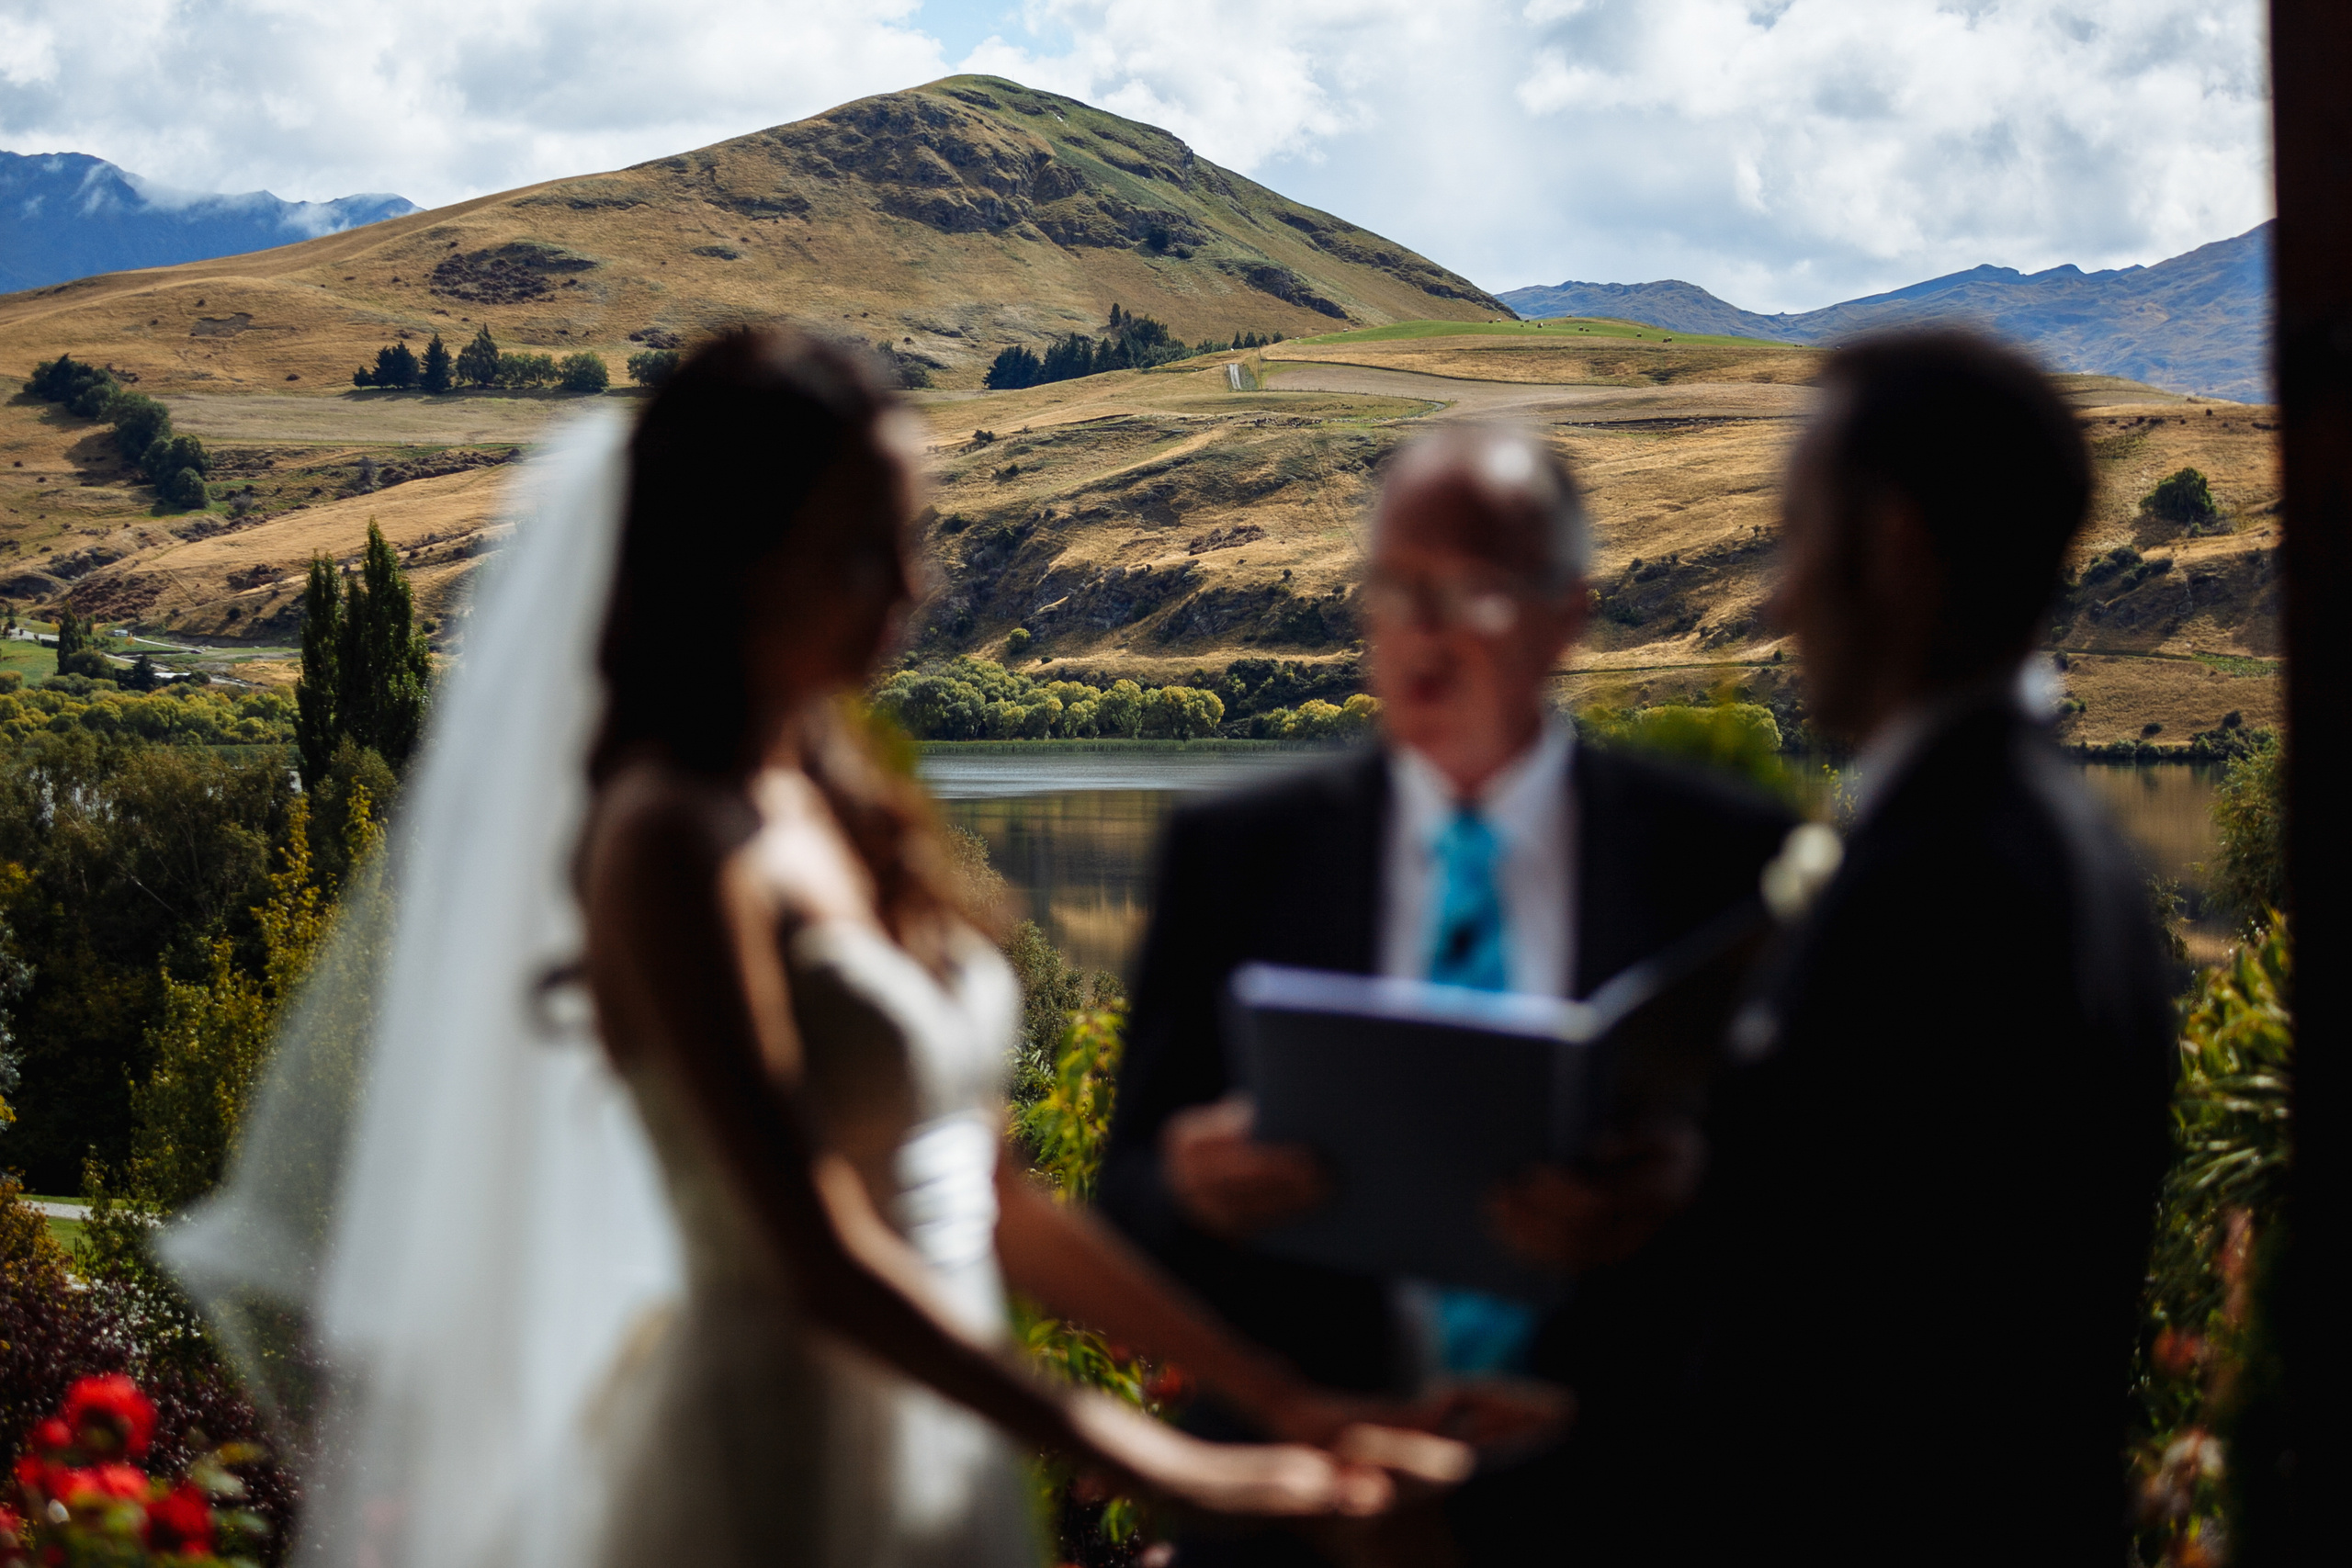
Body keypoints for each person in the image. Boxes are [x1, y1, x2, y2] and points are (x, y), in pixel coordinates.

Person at [165, 332, 1468, 1568]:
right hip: (771, 1461)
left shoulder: (835, 787)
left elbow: (994, 1196)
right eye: (859, 549)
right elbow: (813, 1246)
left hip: (940, 1436)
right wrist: (1168, 1467)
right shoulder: (668, 834)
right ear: (733, 555)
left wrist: (1281, 1399)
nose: (908, 589)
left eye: (910, 541)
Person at [1099, 424, 1798, 1564]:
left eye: (1470, 593)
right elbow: (1122, 1202)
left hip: (1614, 1508)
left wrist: (1683, 1196)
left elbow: (1809, 1209)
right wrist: (1188, 1185)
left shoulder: (1718, 861)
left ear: (1565, 614)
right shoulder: (1233, 854)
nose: (1420, 634)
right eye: (1395, 591)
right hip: (1304, 1516)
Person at [1617, 331, 2178, 1563]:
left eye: (1796, 535)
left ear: (1899, 548)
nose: (1777, 596)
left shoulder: (1950, 880)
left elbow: (1847, 1360)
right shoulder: (2063, 846)